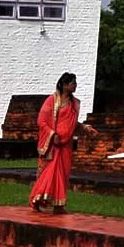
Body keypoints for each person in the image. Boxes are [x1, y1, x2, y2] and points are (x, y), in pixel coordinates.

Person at [27, 72, 97, 214]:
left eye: (75, 83)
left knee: (63, 174)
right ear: (65, 85)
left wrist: (84, 127)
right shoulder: (51, 101)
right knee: (49, 173)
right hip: (54, 144)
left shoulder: (74, 104)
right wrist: (52, 135)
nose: (75, 85)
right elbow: (41, 121)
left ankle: (59, 205)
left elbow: (72, 123)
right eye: (73, 83)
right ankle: (38, 200)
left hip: (66, 145)